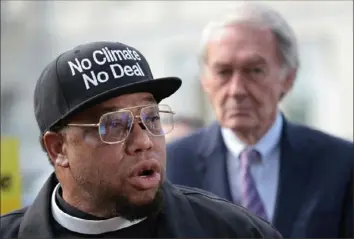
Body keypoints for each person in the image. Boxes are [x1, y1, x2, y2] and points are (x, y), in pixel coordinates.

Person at [0, 41, 282, 238]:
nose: (144, 142)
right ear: (58, 148)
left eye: (151, 118)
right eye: (114, 125)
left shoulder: (234, 231)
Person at [166, 3, 353, 238]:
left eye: (254, 71)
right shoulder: (171, 166)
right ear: (205, 80)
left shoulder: (340, 165)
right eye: (223, 72)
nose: (236, 90)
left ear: (288, 78)